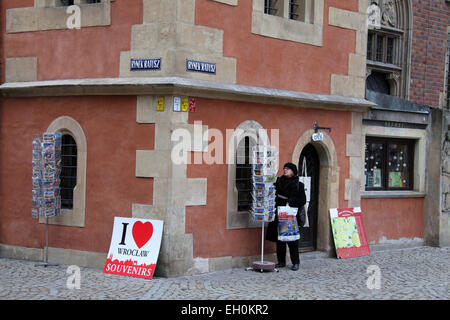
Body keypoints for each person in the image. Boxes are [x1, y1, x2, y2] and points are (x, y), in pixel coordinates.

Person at [266, 162, 306, 271]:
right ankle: (281, 261)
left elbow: (302, 200)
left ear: (293, 171)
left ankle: (295, 262)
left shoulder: (299, 184)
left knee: (292, 241)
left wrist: (290, 202)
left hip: (291, 216)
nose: (285, 170)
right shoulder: (278, 181)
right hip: (279, 213)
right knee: (280, 240)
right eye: (284, 168)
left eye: (288, 169)